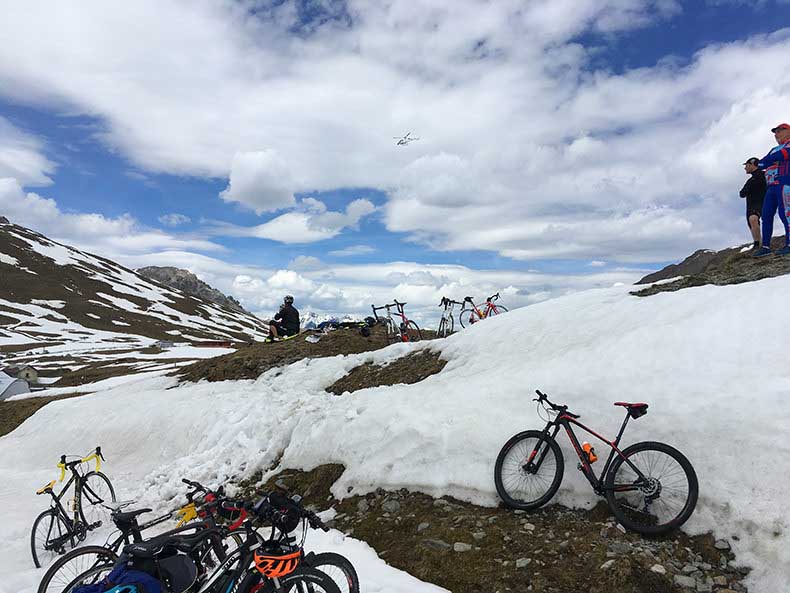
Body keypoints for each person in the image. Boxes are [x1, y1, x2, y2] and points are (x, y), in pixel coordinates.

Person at [754, 123, 790, 257]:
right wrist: (773, 159)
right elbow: (760, 164)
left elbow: (783, 154)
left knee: (786, 213)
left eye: (780, 131)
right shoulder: (774, 149)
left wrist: (774, 159)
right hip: (771, 186)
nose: (777, 134)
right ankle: (765, 246)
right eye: (775, 132)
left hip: (785, 182)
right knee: (766, 215)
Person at [739, 157, 766, 249]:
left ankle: (759, 244)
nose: (745, 168)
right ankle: (758, 243)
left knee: (753, 219)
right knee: (752, 221)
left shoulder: (764, 175)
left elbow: (743, 193)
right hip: (751, 205)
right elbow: (741, 193)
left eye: (746, 165)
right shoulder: (750, 180)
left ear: (752, 164)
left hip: (762, 202)